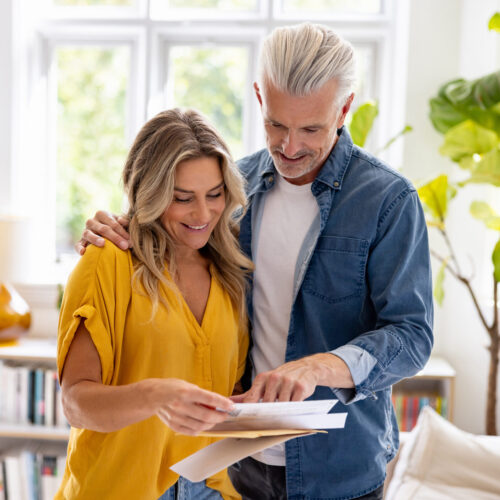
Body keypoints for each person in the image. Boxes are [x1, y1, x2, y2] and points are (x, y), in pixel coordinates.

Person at [78, 23, 434, 500]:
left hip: (341, 469)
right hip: (236, 468)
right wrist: (116, 226)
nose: (289, 147)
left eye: (311, 128)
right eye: (276, 124)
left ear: (345, 108)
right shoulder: (232, 189)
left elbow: (412, 335)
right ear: (259, 97)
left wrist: (318, 368)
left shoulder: (388, 201)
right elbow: (173, 226)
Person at [57, 108, 253, 500]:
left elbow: (220, 396)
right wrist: (157, 396)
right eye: (183, 199)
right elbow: (76, 402)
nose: (203, 213)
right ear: (151, 193)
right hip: (120, 489)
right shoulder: (108, 260)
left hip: (211, 487)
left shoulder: (230, 275)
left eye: (215, 195)